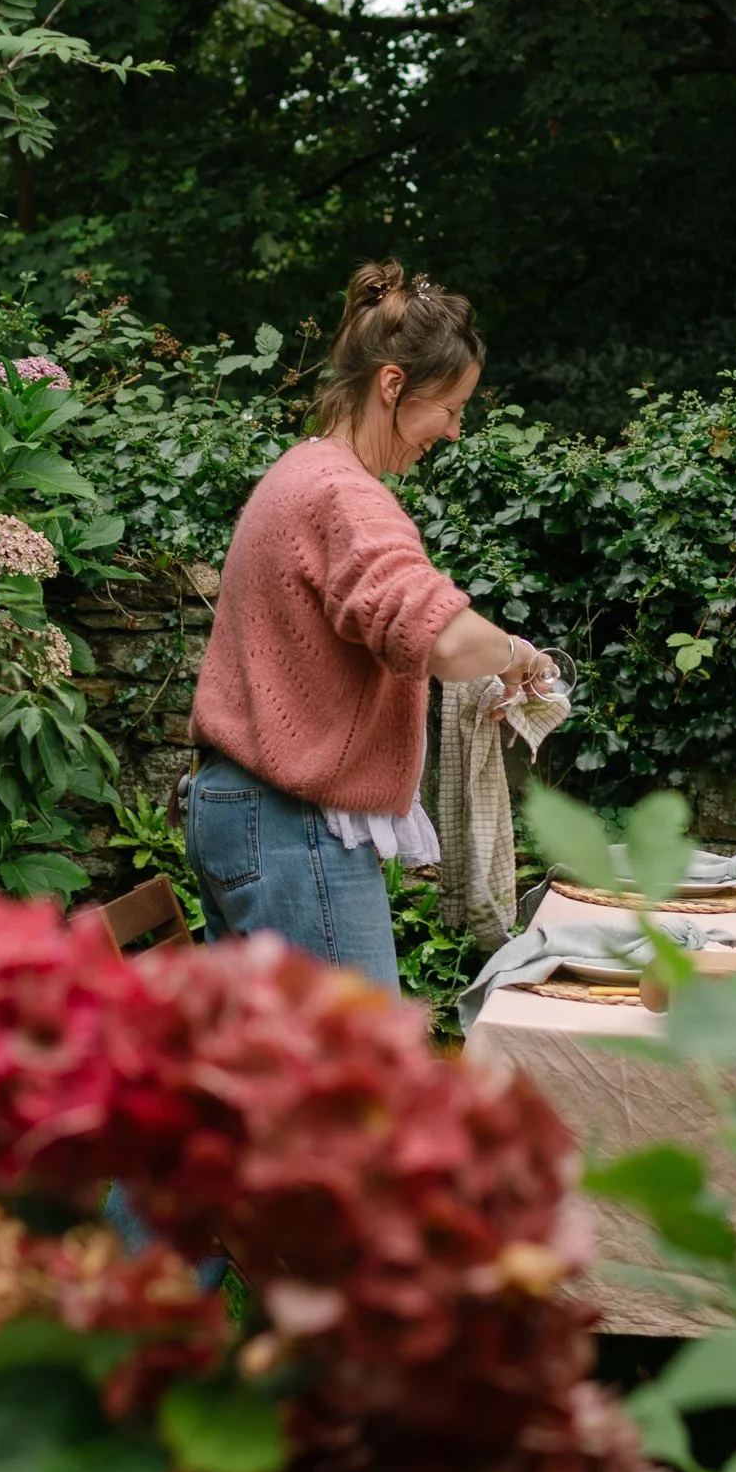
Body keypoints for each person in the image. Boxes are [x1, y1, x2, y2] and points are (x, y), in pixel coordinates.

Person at [184, 261, 556, 990]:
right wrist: (514, 656)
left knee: (277, 1081)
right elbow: (440, 636)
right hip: (289, 828)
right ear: (392, 385)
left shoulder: (300, 473)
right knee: (365, 1088)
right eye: (449, 408)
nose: (452, 432)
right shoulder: (343, 496)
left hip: (242, 812)